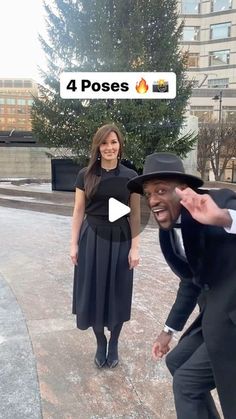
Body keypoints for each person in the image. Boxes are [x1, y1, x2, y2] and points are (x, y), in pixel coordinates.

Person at [127, 152, 236, 419]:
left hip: (232, 320)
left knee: (186, 384)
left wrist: (224, 218)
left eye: (161, 190)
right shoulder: (168, 235)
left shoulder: (218, 202)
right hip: (214, 317)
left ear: (184, 190)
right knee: (177, 362)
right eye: (148, 193)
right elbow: (190, 281)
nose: (152, 200)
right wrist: (168, 330)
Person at [71, 123, 140, 369]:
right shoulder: (85, 175)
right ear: (98, 147)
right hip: (92, 238)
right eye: (104, 143)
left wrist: (135, 247)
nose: (109, 147)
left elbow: (134, 215)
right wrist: (74, 244)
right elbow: (79, 211)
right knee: (94, 291)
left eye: (113, 142)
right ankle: (100, 342)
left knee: (118, 291)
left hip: (120, 239)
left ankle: (115, 342)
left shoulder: (131, 177)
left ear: (120, 145)